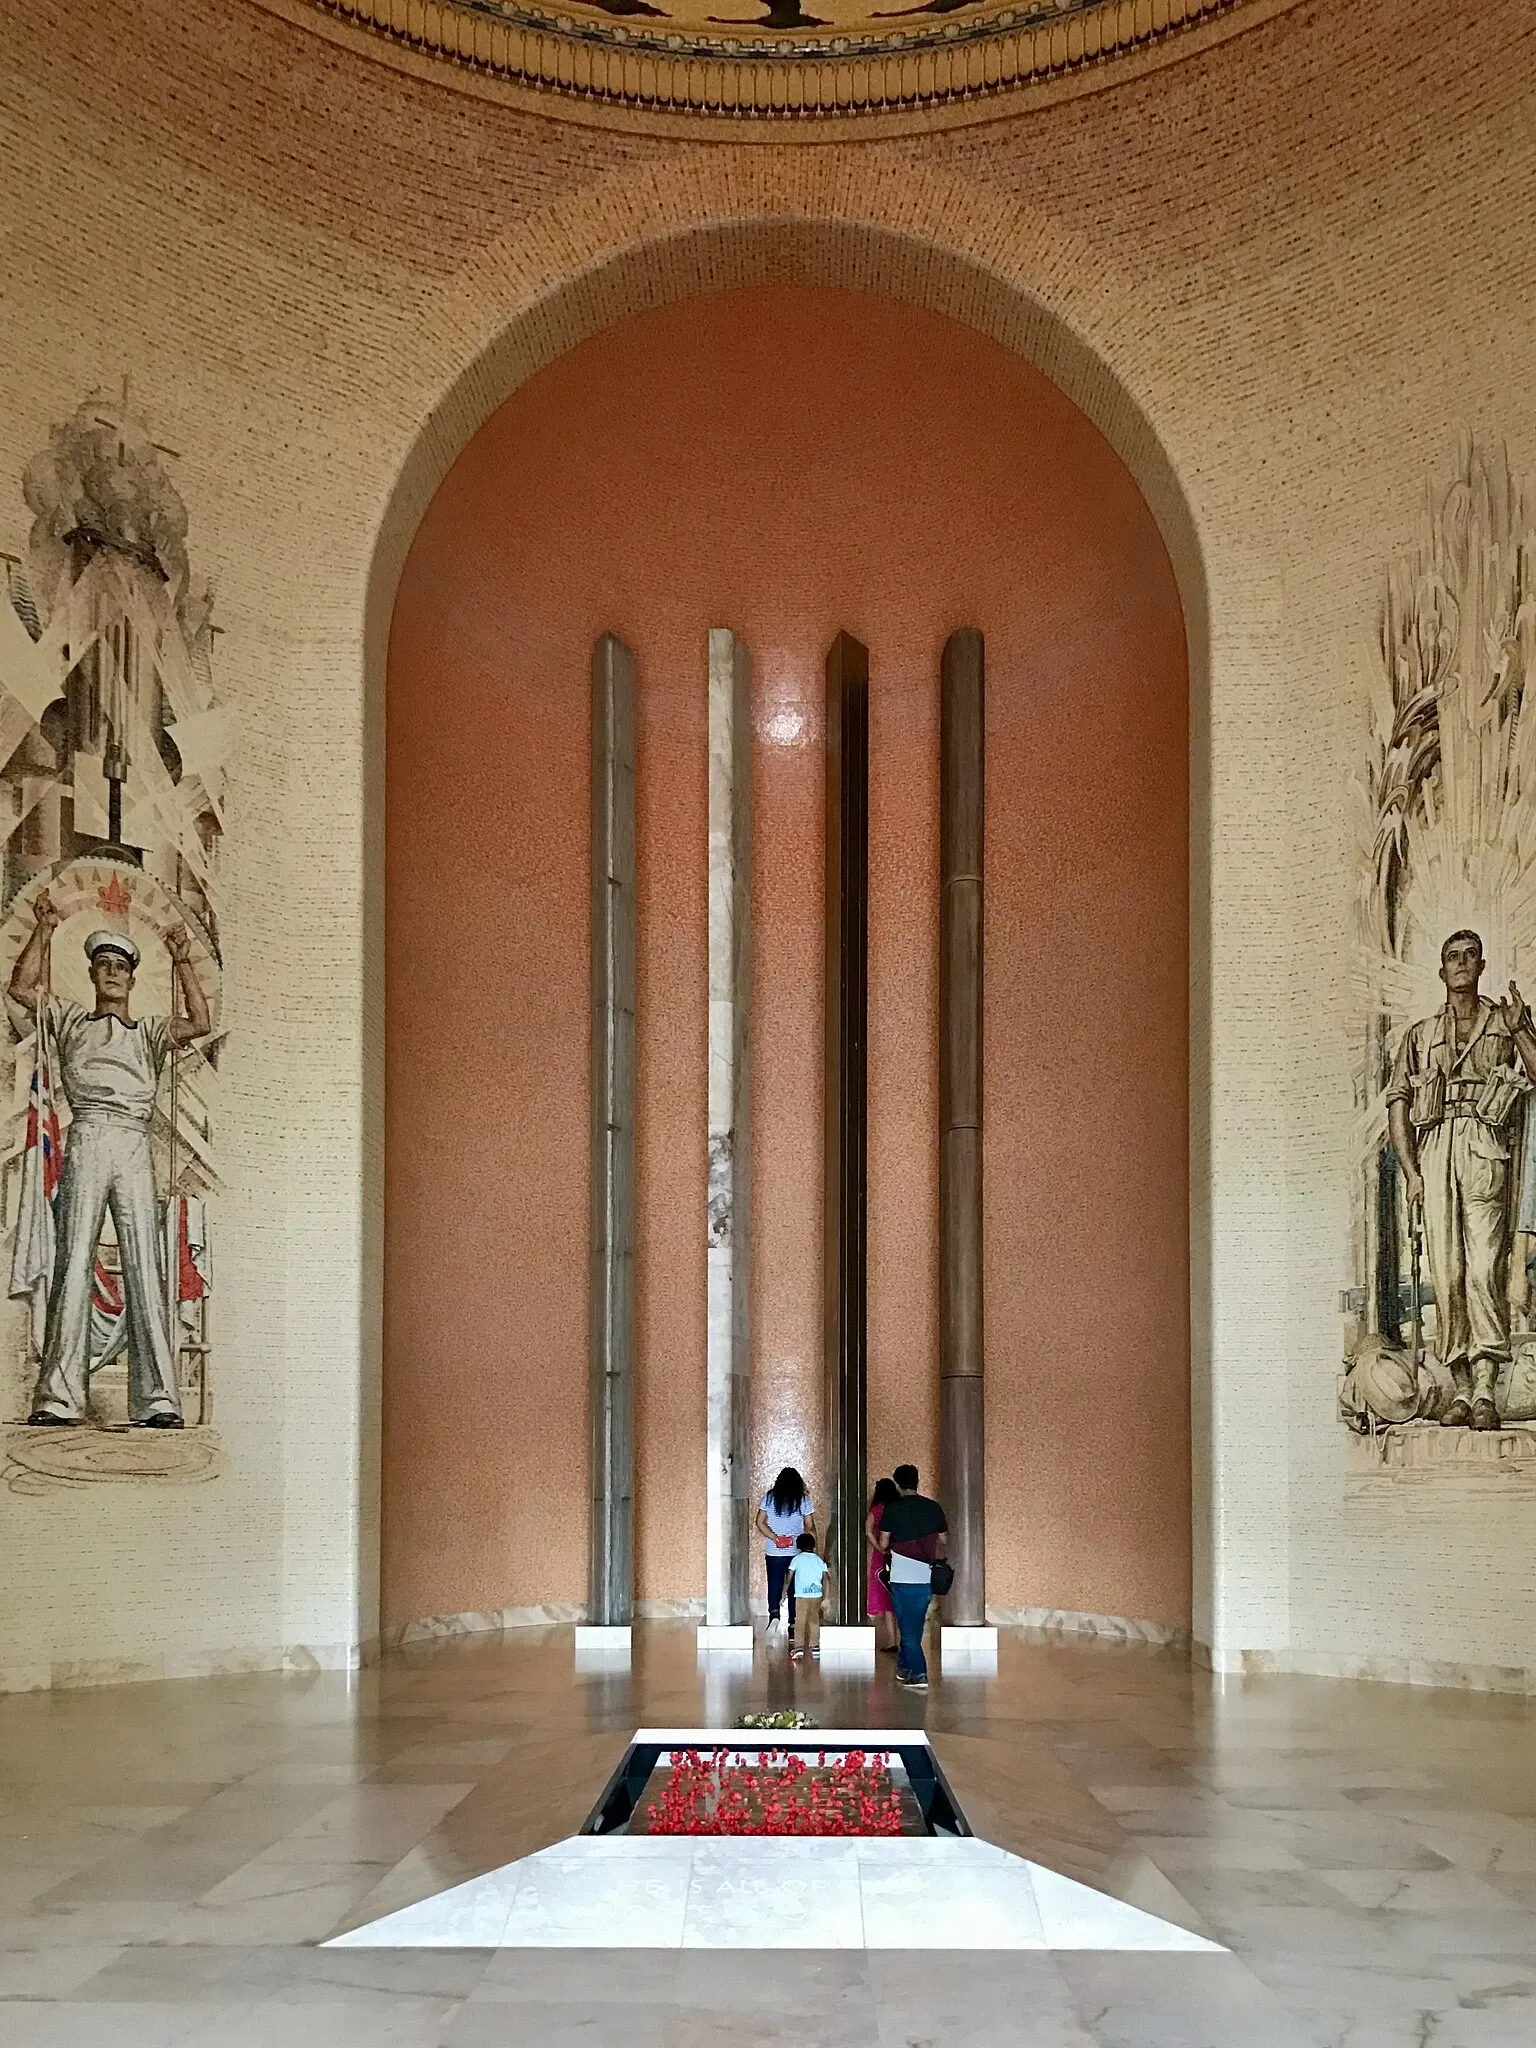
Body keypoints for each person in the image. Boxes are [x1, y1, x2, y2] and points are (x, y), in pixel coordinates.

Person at [7, 892, 211, 1427]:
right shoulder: (71, 1020)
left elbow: (199, 1021)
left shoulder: (147, 1032)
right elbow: (21, 988)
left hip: (133, 1144)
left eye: (121, 966)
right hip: (86, 1140)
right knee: (72, 1262)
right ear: (94, 974)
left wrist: (184, 957)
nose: (113, 973)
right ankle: (58, 1398)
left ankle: (158, 1400)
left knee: (146, 1263)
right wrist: (44, 929)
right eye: (104, 966)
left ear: (132, 977)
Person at [1387, 930, 1536, 1430]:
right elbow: (1399, 1106)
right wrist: (1410, 1173)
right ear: (1441, 971)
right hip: (1435, 1152)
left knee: (1483, 1269)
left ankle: (1488, 1389)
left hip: (1484, 1148)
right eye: (1452, 958)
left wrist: (1520, 1032)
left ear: (1482, 964)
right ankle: (1462, 1390)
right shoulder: (1419, 1034)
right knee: (1447, 1271)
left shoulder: (1504, 1021)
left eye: (1470, 956)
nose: (1462, 965)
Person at [878, 1463, 948, 1692]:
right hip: (927, 1576)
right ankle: (904, 1667)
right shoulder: (933, 1508)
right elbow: (944, 1539)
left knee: (907, 1627)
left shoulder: (893, 1509)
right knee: (914, 1624)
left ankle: (919, 1673)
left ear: (897, 1484)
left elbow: (884, 1543)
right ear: (917, 1482)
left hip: (901, 1575)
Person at [754, 1465, 814, 1640]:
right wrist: (802, 1540)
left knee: (774, 1584)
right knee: (794, 1588)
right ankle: (793, 1625)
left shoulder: (769, 1497)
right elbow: (809, 1526)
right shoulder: (803, 1500)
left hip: (774, 1551)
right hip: (796, 1551)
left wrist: (775, 1538)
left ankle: (774, 1614)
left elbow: (760, 1522)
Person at [865, 1476, 900, 1654]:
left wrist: (878, 1547)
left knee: (886, 1602)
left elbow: (867, 1530)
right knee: (899, 1598)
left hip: (881, 1557)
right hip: (901, 1555)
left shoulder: (876, 1510)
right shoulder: (899, 1508)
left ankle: (892, 1640)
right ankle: (903, 1640)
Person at [788, 1532, 827, 1662]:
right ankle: (815, 1647)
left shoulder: (797, 1559)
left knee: (800, 1621)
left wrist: (784, 1592)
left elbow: (789, 1576)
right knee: (814, 1621)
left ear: (798, 1546)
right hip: (816, 1594)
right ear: (813, 1545)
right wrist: (826, 1595)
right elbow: (826, 1577)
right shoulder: (818, 1560)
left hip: (801, 1595)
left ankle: (799, 1648)